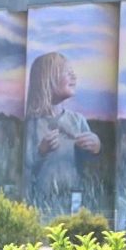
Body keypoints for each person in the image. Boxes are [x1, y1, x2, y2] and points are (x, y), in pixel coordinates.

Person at [23, 52, 101, 217]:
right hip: (42, 203)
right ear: (47, 80)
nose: (74, 75)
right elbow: (25, 167)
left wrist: (96, 147)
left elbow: (92, 162)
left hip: (74, 198)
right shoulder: (32, 125)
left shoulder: (78, 120)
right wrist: (41, 151)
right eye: (67, 71)